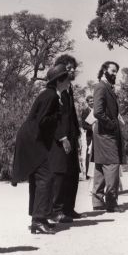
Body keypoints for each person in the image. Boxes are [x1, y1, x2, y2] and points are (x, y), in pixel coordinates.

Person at [12, 64, 70, 234]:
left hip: (33, 138)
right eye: (66, 78)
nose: (69, 81)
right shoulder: (51, 96)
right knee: (46, 177)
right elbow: (43, 121)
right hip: (32, 139)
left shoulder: (51, 95)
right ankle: (38, 219)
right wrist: (58, 114)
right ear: (59, 80)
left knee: (41, 177)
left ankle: (40, 217)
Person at [49, 54, 85, 222]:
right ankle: (56, 210)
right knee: (60, 174)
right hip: (59, 140)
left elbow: (71, 116)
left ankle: (69, 208)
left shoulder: (69, 89)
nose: (71, 71)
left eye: (73, 68)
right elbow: (53, 118)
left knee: (72, 173)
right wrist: (62, 137)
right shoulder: (53, 91)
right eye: (68, 68)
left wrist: (77, 134)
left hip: (71, 137)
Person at [92, 61, 125, 213]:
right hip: (106, 133)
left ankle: (98, 202)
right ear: (104, 70)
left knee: (100, 165)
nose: (115, 74)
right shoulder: (101, 87)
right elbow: (97, 112)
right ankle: (111, 201)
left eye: (116, 71)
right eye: (112, 70)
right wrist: (112, 124)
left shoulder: (107, 87)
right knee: (112, 165)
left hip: (103, 133)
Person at [81, 95, 95, 178]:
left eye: (93, 100)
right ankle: (87, 174)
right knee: (89, 153)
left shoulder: (97, 110)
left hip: (98, 135)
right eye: (90, 101)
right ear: (87, 102)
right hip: (90, 135)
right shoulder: (85, 111)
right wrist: (92, 128)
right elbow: (84, 125)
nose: (92, 102)